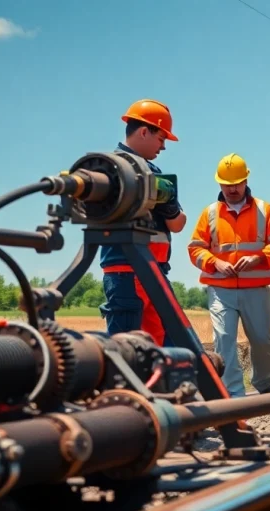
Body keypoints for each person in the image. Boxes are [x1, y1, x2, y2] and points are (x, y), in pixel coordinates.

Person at [187, 153, 270, 397]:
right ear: (219, 184)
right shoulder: (209, 214)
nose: (232, 189)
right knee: (224, 341)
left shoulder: (264, 210)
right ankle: (234, 397)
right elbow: (195, 248)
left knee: (262, 341)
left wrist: (258, 257)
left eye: (237, 183)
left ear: (246, 180)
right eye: (227, 184)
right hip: (221, 290)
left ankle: (263, 384)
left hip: (257, 289)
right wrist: (214, 262)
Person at [99, 99, 187, 345]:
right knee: (137, 351)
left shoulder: (107, 169)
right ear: (144, 131)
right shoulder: (143, 173)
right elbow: (178, 223)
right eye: (161, 139)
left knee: (143, 351)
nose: (163, 147)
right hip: (136, 271)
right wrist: (169, 204)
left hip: (137, 270)